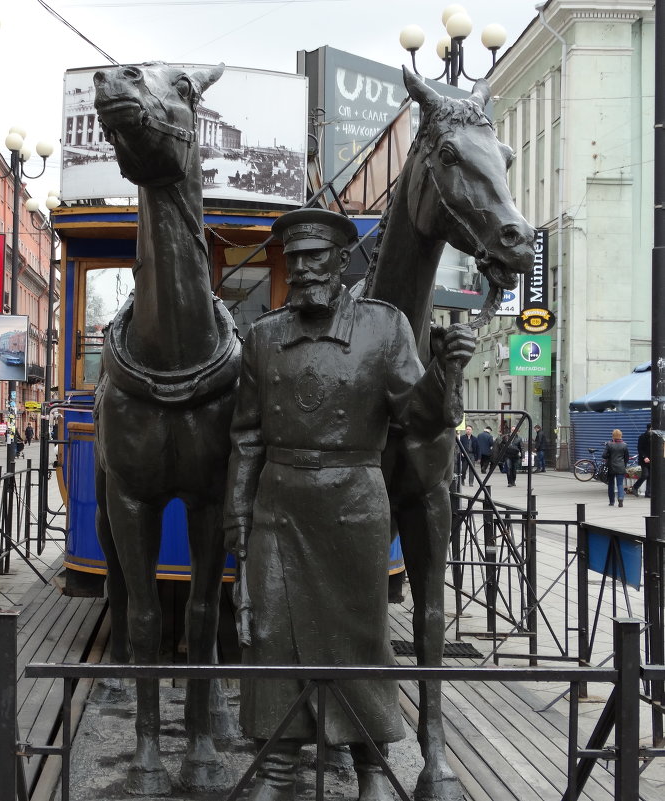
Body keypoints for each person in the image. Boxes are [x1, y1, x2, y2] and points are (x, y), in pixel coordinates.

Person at [223, 208, 475, 801]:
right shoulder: (262, 337)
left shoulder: (384, 328)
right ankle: (278, 761)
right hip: (279, 510)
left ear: (341, 263)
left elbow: (416, 416)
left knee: (361, 635)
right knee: (271, 634)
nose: (305, 269)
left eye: (317, 258)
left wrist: (445, 371)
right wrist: (237, 520)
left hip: (355, 505)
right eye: (296, 258)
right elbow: (246, 437)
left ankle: (369, 763)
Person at [603, 428, 630, 507]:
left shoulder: (609, 444)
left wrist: (609, 455)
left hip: (611, 467)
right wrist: (623, 464)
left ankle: (611, 501)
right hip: (621, 467)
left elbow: (604, 455)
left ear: (613, 436)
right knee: (620, 484)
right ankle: (621, 498)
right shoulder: (624, 445)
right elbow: (626, 458)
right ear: (621, 435)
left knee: (611, 484)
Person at [633, 423, 651, 498]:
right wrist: (644, 457)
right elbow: (640, 449)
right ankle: (635, 487)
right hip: (644, 460)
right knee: (645, 475)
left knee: (650, 477)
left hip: (652, 459)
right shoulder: (642, 437)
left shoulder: (656, 438)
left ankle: (648, 493)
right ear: (650, 429)